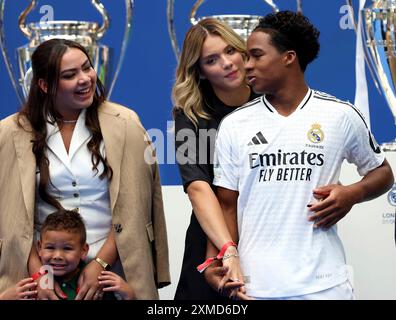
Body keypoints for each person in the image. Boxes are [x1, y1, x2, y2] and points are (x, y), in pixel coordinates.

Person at [211, 11, 394, 299]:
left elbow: (383, 173)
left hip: (325, 287)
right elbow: (226, 206)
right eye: (246, 56)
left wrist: (352, 193)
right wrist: (219, 260)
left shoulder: (339, 115)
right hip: (256, 287)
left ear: (289, 57)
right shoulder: (235, 124)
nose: (246, 65)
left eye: (256, 55)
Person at [0, 38, 170, 300]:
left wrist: (100, 264)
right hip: (37, 278)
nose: (85, 79)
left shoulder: (125, 122)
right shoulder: (11, 131)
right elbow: (11, 219)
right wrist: (38, 273)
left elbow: (134, 209)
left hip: (113, 272)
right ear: (44, 85)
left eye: (87, 67)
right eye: (70, 75)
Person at [172, 18, 260, 299]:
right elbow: (198, 187)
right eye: (211, 60)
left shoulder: (270, 97)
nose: (227, 63)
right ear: (199, 72)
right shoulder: (189, 114)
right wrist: (226, 248)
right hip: (211, 236)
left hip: (266, 229)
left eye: (230, 51)